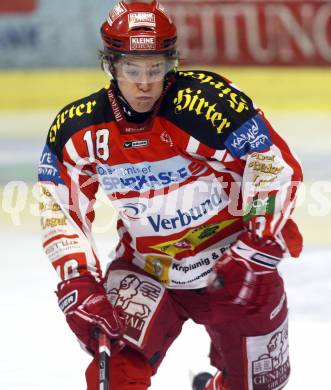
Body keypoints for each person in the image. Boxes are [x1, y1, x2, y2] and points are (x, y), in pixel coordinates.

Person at [38, 1, 303, 389]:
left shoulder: (209, 104)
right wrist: (78, 281)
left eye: (155, 68)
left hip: (233, 267)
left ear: (171, 64)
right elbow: (61, 208)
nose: (144, 83)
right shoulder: (77, 130)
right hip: (148, 269)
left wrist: (259, 243)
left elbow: (270, 164)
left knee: (259, 384)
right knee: (114, 377)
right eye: (131, 68)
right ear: (111, 65)